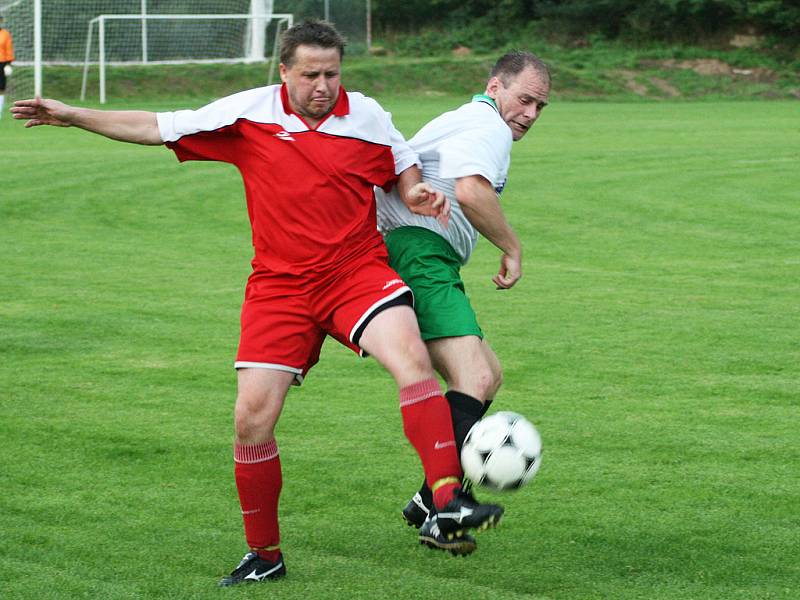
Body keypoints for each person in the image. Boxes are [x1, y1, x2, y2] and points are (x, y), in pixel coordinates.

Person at [12, 20, 506, 585]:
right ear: (284, 72)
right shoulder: (249, 114)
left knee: (411, 360)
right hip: (279, 288)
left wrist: (414, 190)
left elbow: (399, 168)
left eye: (332, 73)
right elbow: (153, 125)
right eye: (310, 75)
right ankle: (264, 556)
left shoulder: (367, 115)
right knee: (252, 419)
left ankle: (445, 504)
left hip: (355, 272)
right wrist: (74, 115)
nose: (323, 85)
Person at [376, 51, 550, 554]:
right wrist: (512, 247)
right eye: (524, 99)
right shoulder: (485, 124)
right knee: (471, 378)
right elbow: (472, 192)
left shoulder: (472, 119)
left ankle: (429, 497)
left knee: (487, 375)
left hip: (424, 252)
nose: (531, 114)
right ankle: (442, 511)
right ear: (495, 86)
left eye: (541, 106)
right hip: (418, 251)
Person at [0, 14, 14, 119]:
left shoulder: (5, 34)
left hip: (2, 63)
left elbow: (9, 49)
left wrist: (9, 64)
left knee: (1, 88)